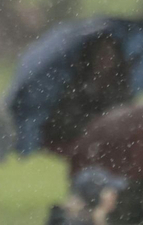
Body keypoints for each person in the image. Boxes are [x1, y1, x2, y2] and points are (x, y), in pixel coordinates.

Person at [41, 32, 133, 174]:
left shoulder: (121, 88)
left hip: (112, 148)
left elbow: (125, 117)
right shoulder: (77, 87)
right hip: (81, 145)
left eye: (109, 54)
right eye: (101, 53)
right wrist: (90, 124)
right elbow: (64, 119)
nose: (105, 59)